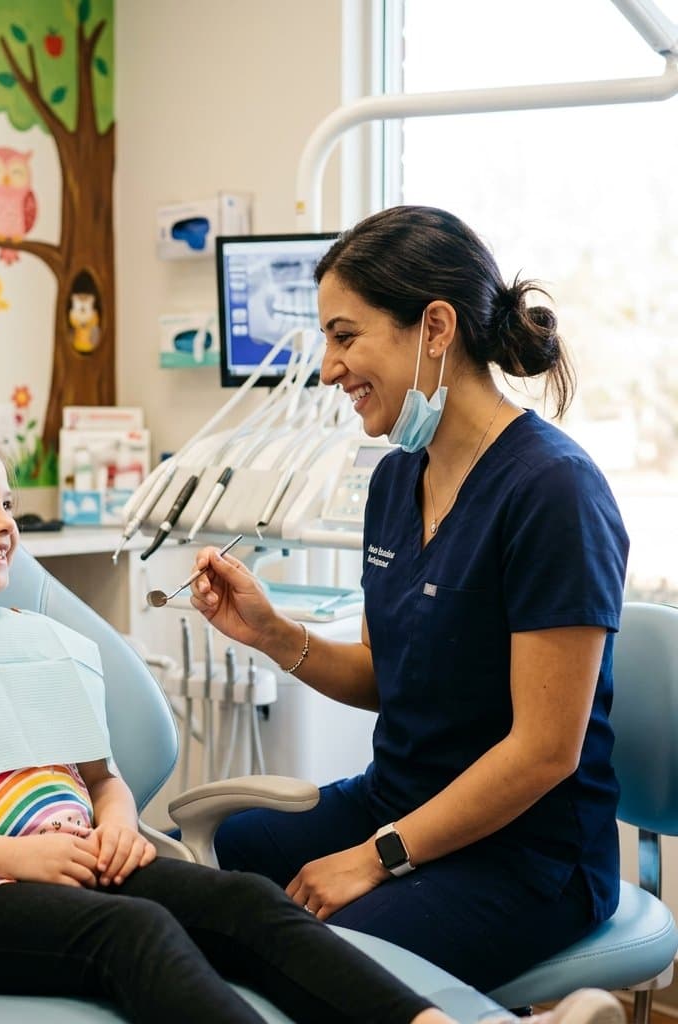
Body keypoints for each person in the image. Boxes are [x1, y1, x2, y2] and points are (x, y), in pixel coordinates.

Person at [0, 418, 622, 1024]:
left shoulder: (33, 643)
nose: (6, 519)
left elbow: (100, 779)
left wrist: (120, 824)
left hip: (81, 862)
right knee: (137, 937)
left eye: (8, 500)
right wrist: (16, 858)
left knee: (247, 906)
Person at [187, 205, 630, 996]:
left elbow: (544, 753)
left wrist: (375, 858)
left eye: (345, 335)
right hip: (399, 799)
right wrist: (270, 632)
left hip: (530, 855)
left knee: (330, 954)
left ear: (434, 327)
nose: (327, 369)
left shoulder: (553, 491)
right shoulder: (397, 478)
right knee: (241, 851)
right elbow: (384, 678)